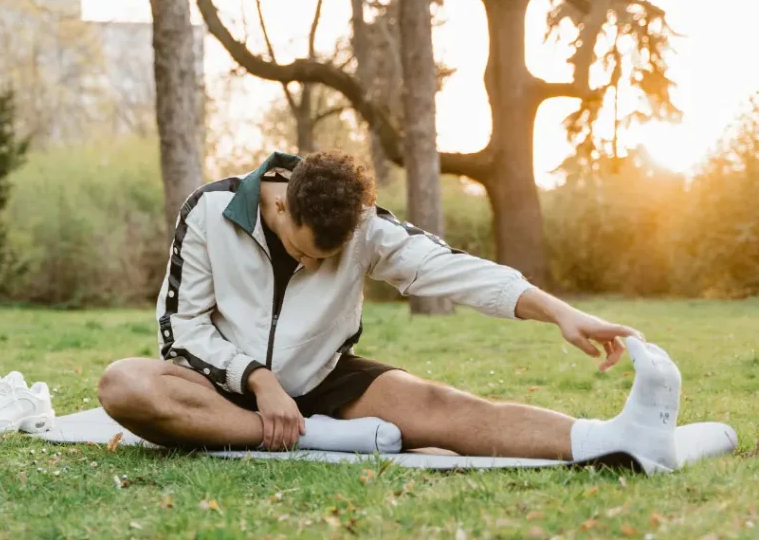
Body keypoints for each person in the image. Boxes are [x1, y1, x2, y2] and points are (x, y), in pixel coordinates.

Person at [97, 150, 681, 470]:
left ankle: (610, 439)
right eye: (304, 250)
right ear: (279, 207)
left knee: (444, 406)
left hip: (325, 379)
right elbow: (181, 332)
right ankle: (315, 439)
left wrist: (558, 312)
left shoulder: (364, 227)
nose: (313, 264)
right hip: (222, 390)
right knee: (125, 384)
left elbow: (453, 269)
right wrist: (257, 378)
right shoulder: (209, 211)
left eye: (327, 258)